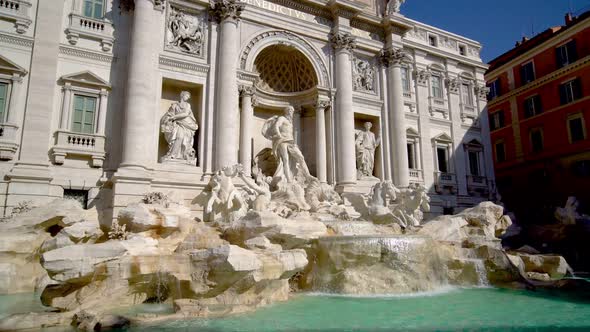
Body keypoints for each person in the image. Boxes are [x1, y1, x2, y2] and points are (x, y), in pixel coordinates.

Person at [261, 106, 311, 184]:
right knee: (285, 160)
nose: (291, 112)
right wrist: (279, 135)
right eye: (290, 110)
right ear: (286, 111)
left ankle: (308, 176)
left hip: (291, 141)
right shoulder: (282, 118)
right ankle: (289, 180)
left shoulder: (290, 121)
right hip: (282, 141)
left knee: (300, 157)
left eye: (292, 110)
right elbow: (276, 125)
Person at [160, 91, 198, 162]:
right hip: (177, 124)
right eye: (186, 96)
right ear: (182, 96)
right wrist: (169, 118)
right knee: (179, 137)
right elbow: (169, 114)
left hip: (186, 124)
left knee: (182, 138)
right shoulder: (175, 105)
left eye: (188, 97)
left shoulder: (188, 105)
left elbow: (186, 114)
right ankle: (173, 155)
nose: (187, 98)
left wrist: (174, 117)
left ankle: (179, 155)